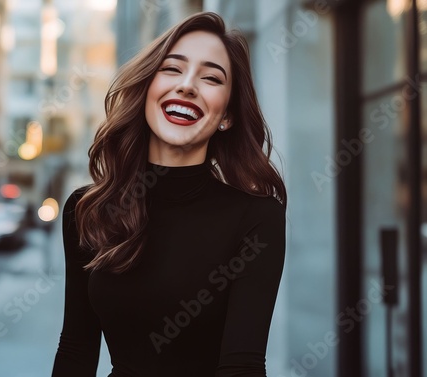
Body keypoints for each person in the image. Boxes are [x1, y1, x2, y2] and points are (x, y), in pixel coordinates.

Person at [52, 11, 287, 377]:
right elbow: (76, 349)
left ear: (226, 116)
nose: (188, 86)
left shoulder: (257, 218)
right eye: (172, 69)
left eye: (211, 78)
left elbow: (243, 366)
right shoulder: (90, 210)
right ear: (148, 88)